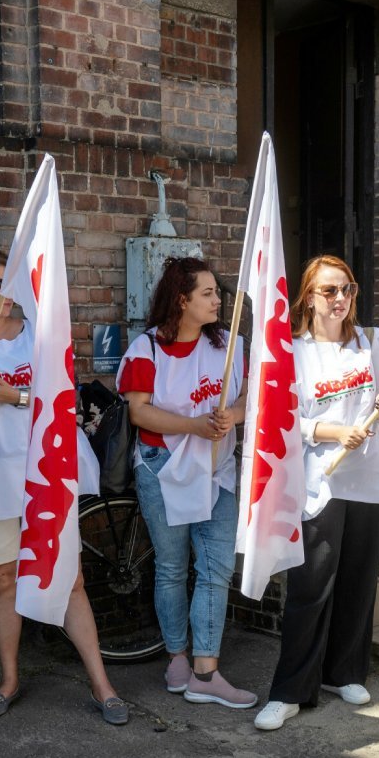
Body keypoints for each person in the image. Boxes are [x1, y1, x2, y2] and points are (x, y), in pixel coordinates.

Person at [0, 248, 127, 725]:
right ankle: (9, 679)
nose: (6, 294)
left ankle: (102, 683)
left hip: (47, 472)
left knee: (69, 578)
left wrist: (9, 394)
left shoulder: (40, 338)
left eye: (9, 285)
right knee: (3, 579)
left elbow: (66, 403)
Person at [254, 255, 379, 731]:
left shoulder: (372, 341)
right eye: (328, 291)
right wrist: (331, 432)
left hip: (371, 476)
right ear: (308, 298)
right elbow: (282, 421)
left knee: (359, 579)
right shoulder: (293, 353)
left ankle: (345, 672)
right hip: (321, 479)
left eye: (347, 289)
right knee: (312, 583)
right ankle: (290, 689)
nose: (340, 299)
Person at [118, 256, 254, 709]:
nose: (218, 300)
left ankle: (206, 672)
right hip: (164, 465)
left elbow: (251, 394)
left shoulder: (231, 345)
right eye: (208, 294)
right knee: (172, 568)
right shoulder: (147, 349)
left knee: (215, 569)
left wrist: (232, 414)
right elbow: (138, 411)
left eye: (218, 293)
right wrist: (193, 425)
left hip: (217, 468)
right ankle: (176, 654)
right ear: (182, 299)